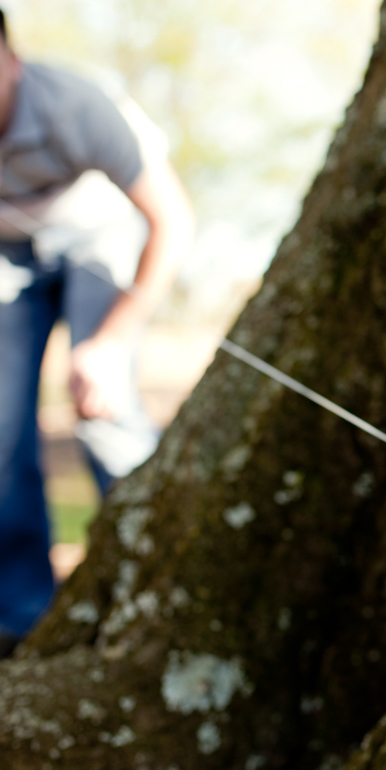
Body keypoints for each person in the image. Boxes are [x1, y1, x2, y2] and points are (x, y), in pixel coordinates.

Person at [0, 9, 194, 654]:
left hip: (100, 237)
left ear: (11, 57)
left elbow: (171, 222)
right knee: (0, 432)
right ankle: (22, 622)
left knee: (103, 415)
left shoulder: (76, 106)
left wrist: (110, 344)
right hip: (10, 259)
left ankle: (159, 588)